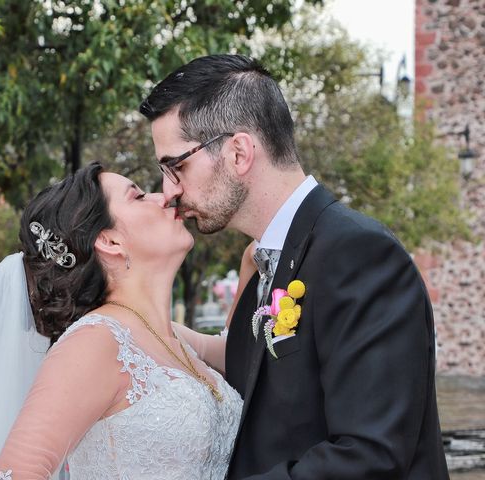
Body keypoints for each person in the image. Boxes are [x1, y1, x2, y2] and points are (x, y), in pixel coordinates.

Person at [139, 54, 449, 479]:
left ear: (239, 153)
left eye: (176, 166)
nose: (168, 191)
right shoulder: (264, 264)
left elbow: (371, 455)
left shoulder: (358, 254)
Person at [0, 162, 243, 480]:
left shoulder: (171, 337)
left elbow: (246, 353)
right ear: (110, 241)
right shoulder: (95, 342)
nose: (163, 197)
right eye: (138, 196)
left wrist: (254, 259)